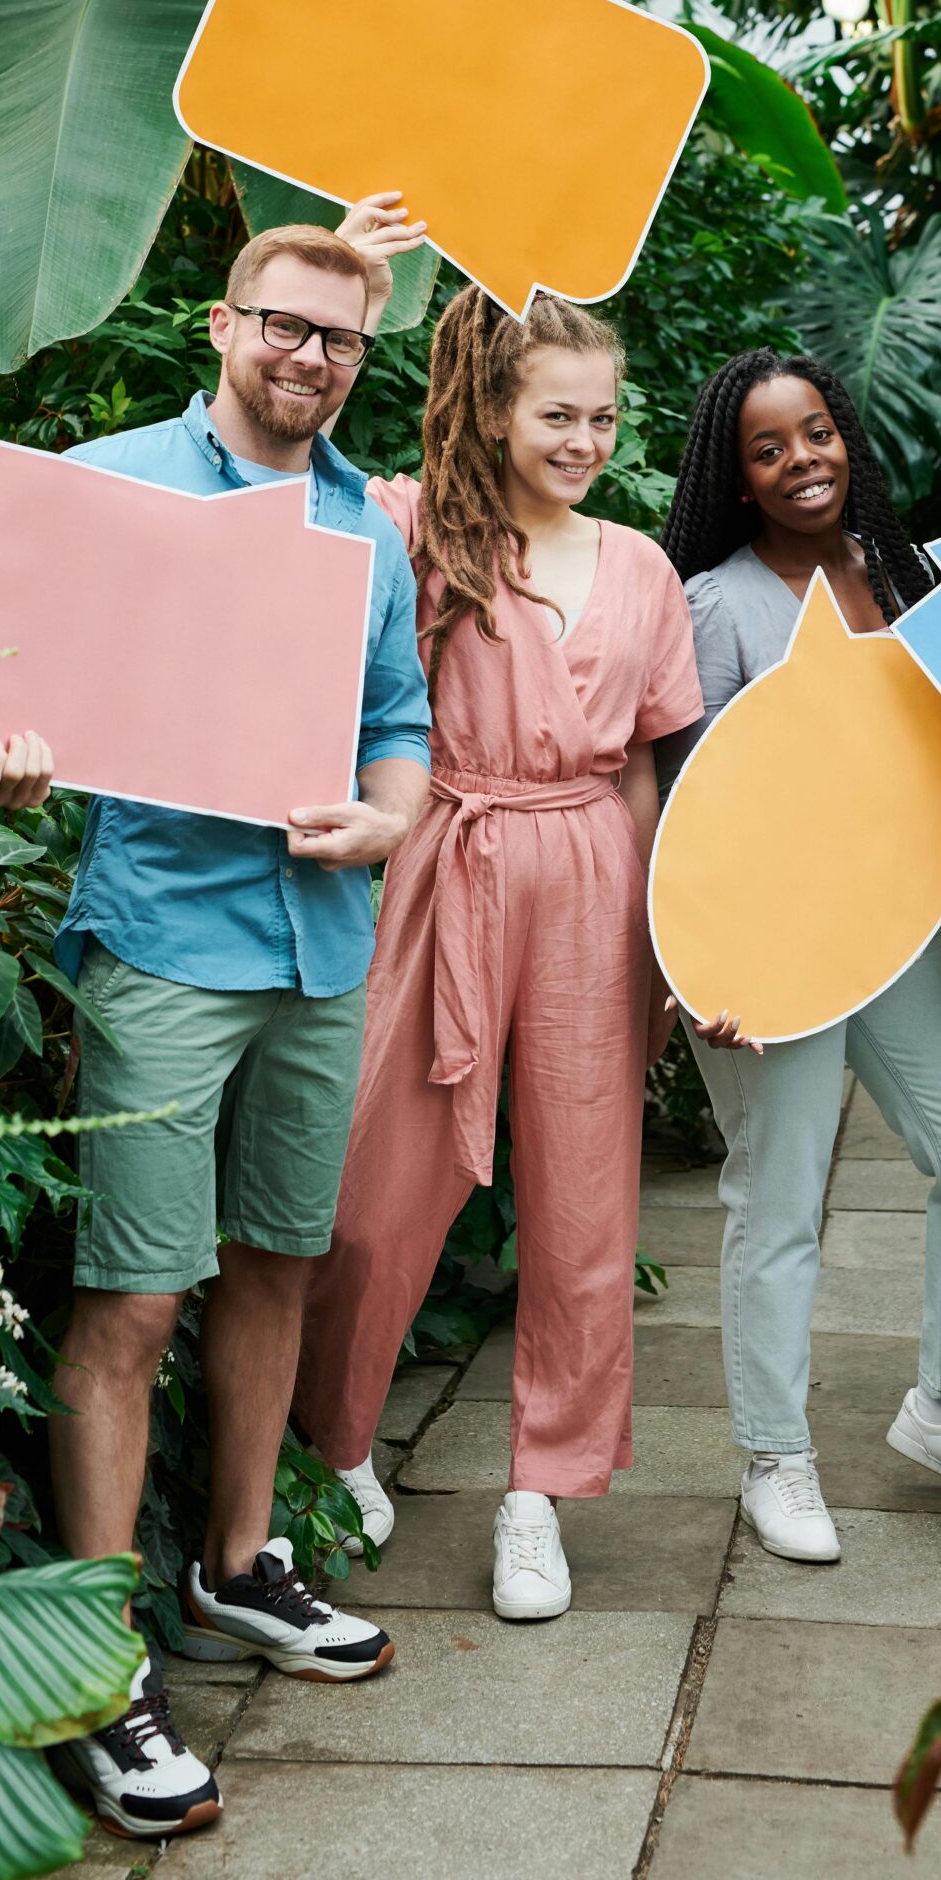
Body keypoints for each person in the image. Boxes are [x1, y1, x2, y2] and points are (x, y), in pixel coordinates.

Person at [0, 224, 432, 1841]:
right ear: (227, 322)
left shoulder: (366, 519)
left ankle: (236, 1564)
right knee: (135, 1302)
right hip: (165, 940)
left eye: (342, 342)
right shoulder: (110, 483)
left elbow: (400, 726)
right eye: (288, 329)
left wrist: (384, 823)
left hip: (319, 941)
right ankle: (102, 1671)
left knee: (279, 1266)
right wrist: (10, 749)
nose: (311, 360)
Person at [294, 276, 703, 1624]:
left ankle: (541, 1495)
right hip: (441, 856)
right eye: (555, 414)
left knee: (586, 1209)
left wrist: (656, 945)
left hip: (591, 869)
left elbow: (643, 767)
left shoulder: (640, 565)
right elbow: (305, 506)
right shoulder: (421, 526)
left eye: (600, 416)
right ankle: (337, 1444)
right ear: (493, 409)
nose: (583, 440)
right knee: (373, 1184)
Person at [654, 350, 941, 1564]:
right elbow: (685, 806)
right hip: (767, 950)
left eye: (814, 432)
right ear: (739, 475)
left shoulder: (911, 574)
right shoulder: (716, 605)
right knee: (778, 1200)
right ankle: (778, 1457)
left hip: (895, 921)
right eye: (767, 449)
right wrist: (705, 969)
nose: (800, 461)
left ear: (844, 436)